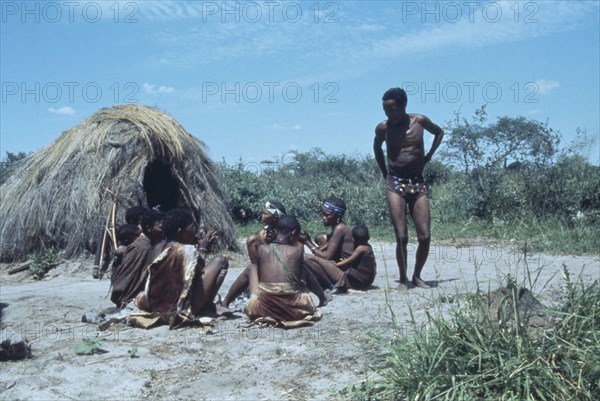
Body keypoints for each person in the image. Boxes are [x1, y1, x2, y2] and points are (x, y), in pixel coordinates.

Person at [373, 87, 444, 290]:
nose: (388, 114)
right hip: (395, 183)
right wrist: (383, 171)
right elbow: (377, 147)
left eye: (392, 109)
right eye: (385, 110)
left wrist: (428, 156)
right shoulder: (383, 128)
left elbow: (439, 133)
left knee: (425, 236)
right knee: (402, 236)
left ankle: (417, 276)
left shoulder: (419, 121)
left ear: (403, 106)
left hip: (417, 182)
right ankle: (403, 279)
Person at [135, 209, 228, 325]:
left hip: (156, 306)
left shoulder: (157, 248)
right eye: (192, 227)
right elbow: (198, 273)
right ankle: (205, 307)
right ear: (180, 231)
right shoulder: (185, 250)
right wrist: (203, 250)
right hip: (179, 308)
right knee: (221, 262)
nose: (196, 232)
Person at [245, 215, 327, 326]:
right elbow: (298, 277)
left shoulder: (262, 248)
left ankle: (226, 302)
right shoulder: (297, 251)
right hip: (293, 311)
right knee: (304, 270)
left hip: (262, 310)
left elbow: (260, 273)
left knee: (251, 268)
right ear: (293, 234)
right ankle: (322, 298)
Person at [221, 201, 286, 309]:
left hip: (280, 271)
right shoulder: (265, 232)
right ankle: (257, 275)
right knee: (252, 240)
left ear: (274, 217)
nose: (262, 216)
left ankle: (227, 302)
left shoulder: (284, 231)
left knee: (251, 267)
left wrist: (270, 243)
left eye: (265, 214)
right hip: (267, 266)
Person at [110, 210, 164, 308]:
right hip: (129, 300)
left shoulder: (149, 244)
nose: (164, 230)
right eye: (160, 227)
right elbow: (128, 279)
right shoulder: (143, 247)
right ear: (148, 228)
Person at [301, 197, 354, 289]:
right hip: (340, 269)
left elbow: (326, 256)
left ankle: (330, 285)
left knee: (304, 257)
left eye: (327, 215)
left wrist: (307, 243)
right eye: (323, 214)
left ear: (338, 216)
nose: (324, 218)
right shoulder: (337, 228)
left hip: (345, 275)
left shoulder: (340, 229)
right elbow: (325, 254)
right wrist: (308, 241)